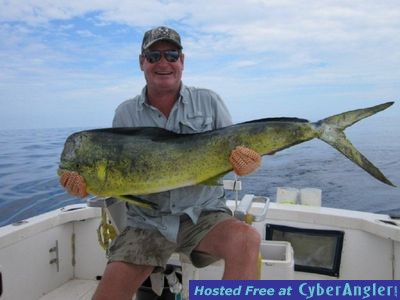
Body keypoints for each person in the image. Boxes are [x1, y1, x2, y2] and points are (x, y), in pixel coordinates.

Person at [60, 26, 262, 300]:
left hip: (203, 215)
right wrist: (85, 185)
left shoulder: (209, 101)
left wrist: (246, 164)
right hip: (148, 222)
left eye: (171, 54)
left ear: (182, 60)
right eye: (154, 56)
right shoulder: (125, 113)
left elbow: (236, 152)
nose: (163, 62)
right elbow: (118, 180)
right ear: (142, 62)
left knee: (247, 240)